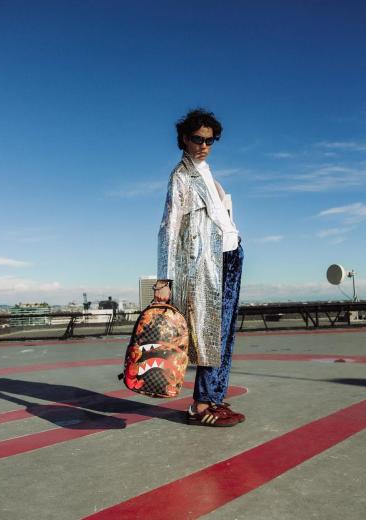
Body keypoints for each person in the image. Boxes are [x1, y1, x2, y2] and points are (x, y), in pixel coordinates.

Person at [154, 108, 244, 427]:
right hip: (207, 262)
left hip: (231, 254)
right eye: (197, 139)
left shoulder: (207, 172)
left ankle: (215, 397)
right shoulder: (181, 176)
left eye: (210, 140)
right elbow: (169, 227)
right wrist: (164, 279)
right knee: (210, 334)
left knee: (224, 334)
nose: (204, 146)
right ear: (184, 139)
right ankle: (202, 404)